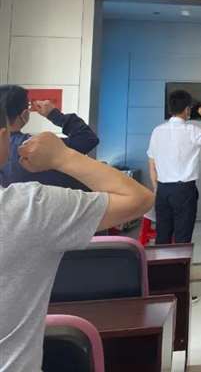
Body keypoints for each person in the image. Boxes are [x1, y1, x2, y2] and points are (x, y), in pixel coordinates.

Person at [0, 93, 154, 372]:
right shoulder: (31, 177)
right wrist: (55, 118)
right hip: (75, 251)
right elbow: (89, 141)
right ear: (22, 115)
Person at [147, 90, 201, 244]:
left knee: (162, 236)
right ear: (187, 109)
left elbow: (152, 163)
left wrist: (157, 188)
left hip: (162, 190)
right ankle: (180, 261)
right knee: (182, 238)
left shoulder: (157, 131)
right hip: (183, 191)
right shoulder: (191, 130)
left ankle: (161, 261)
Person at [0, 85, 99, 189]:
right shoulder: (34, 146)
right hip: (85, 195)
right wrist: (54, 114)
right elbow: (87, 139)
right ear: (24, 114)